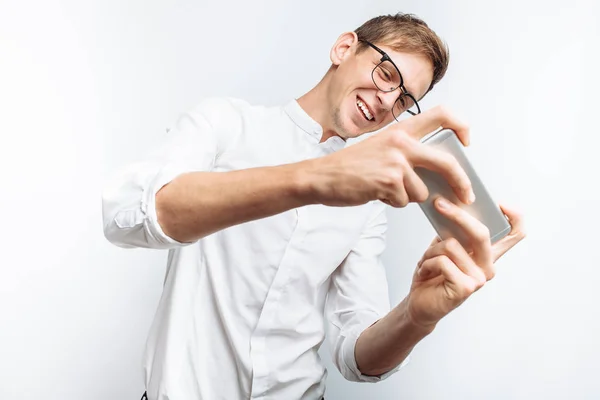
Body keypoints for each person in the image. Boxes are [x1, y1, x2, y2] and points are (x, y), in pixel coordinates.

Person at [102, 12, 525, 400]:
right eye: (386, 73)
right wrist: (316, 178)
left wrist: (416, 317)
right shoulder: (225, 124)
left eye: (403, 100)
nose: (385, 100)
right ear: (344, 48)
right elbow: (127, 215)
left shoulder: (369, 206)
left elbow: (356, 355)